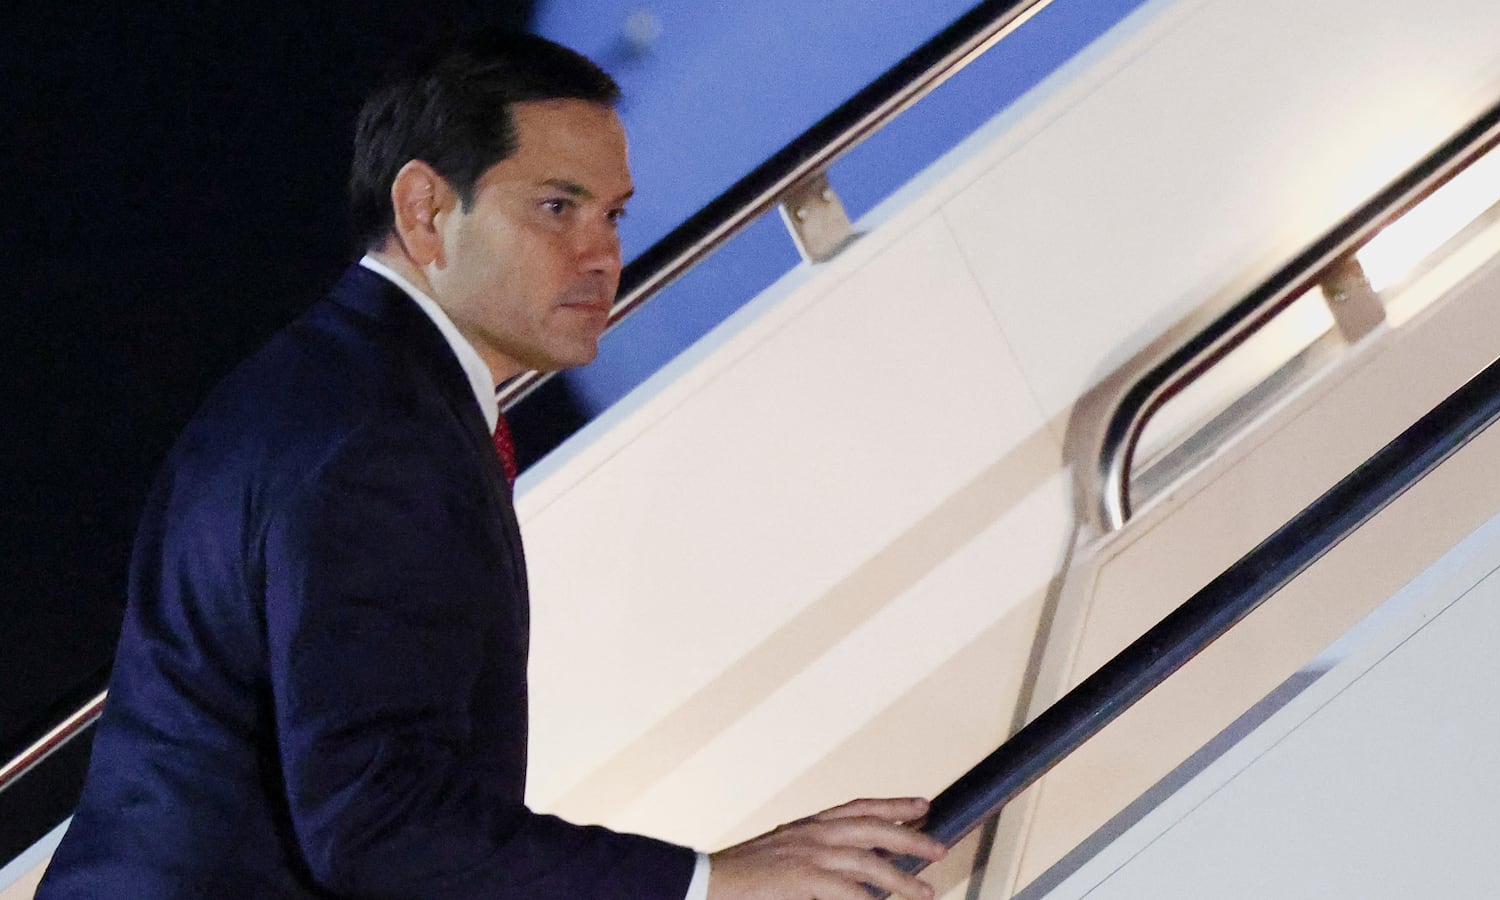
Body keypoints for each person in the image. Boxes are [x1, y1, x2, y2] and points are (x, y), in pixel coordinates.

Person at [36, 30, 944, 900]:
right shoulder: (374, 437)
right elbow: (375, 817)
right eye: (556, 207)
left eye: (612, 214)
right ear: (426, 211)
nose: (603, 254)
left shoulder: (341, 385)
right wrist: (712, 883)